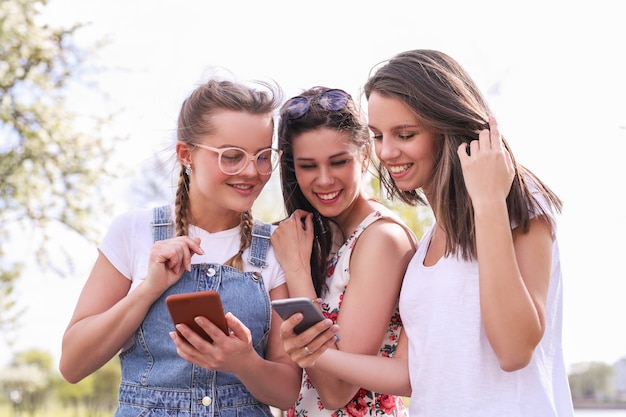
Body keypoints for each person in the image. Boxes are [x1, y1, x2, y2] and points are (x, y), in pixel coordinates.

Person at [280, 50, 575, 417]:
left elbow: (515, 350)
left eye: (405, 134)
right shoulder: (425, 251)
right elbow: (409, 372)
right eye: (377, 135)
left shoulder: (518, 205)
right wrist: (318, 353)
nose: (386, 152)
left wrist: (487, 203)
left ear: (445, 125)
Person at [59, 78, 301, 416]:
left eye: (263, 157)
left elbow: (288, 391)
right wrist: (147, 291)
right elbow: (72, 364)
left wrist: (244, 362)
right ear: (186, 154)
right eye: (231, 156)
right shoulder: (133, 231)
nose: (252, 171)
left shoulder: (275, 248)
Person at [269, 86, 416, 416]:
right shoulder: (325, 237)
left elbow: (337, 391)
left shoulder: (381, 240)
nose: (323, 180)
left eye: (338, 162)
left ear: (365, 155)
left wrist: (296, 270)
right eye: (307, 166)